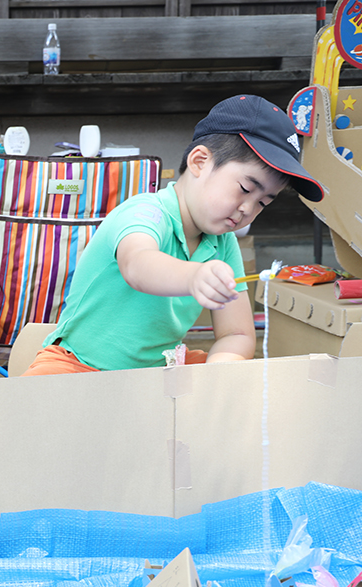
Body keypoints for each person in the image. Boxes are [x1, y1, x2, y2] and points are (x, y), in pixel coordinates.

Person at [23, 94, 324, 376]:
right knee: (43, 397)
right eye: (245, 188)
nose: (248, 208)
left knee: (237, 380)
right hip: (78, 364)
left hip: (159, 372)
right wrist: (193, 277)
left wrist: (218, 371)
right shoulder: (146, 213)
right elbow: (137, 264)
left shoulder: (222, 244)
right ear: (199, 161)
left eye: (263, 202)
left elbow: (238, 333)